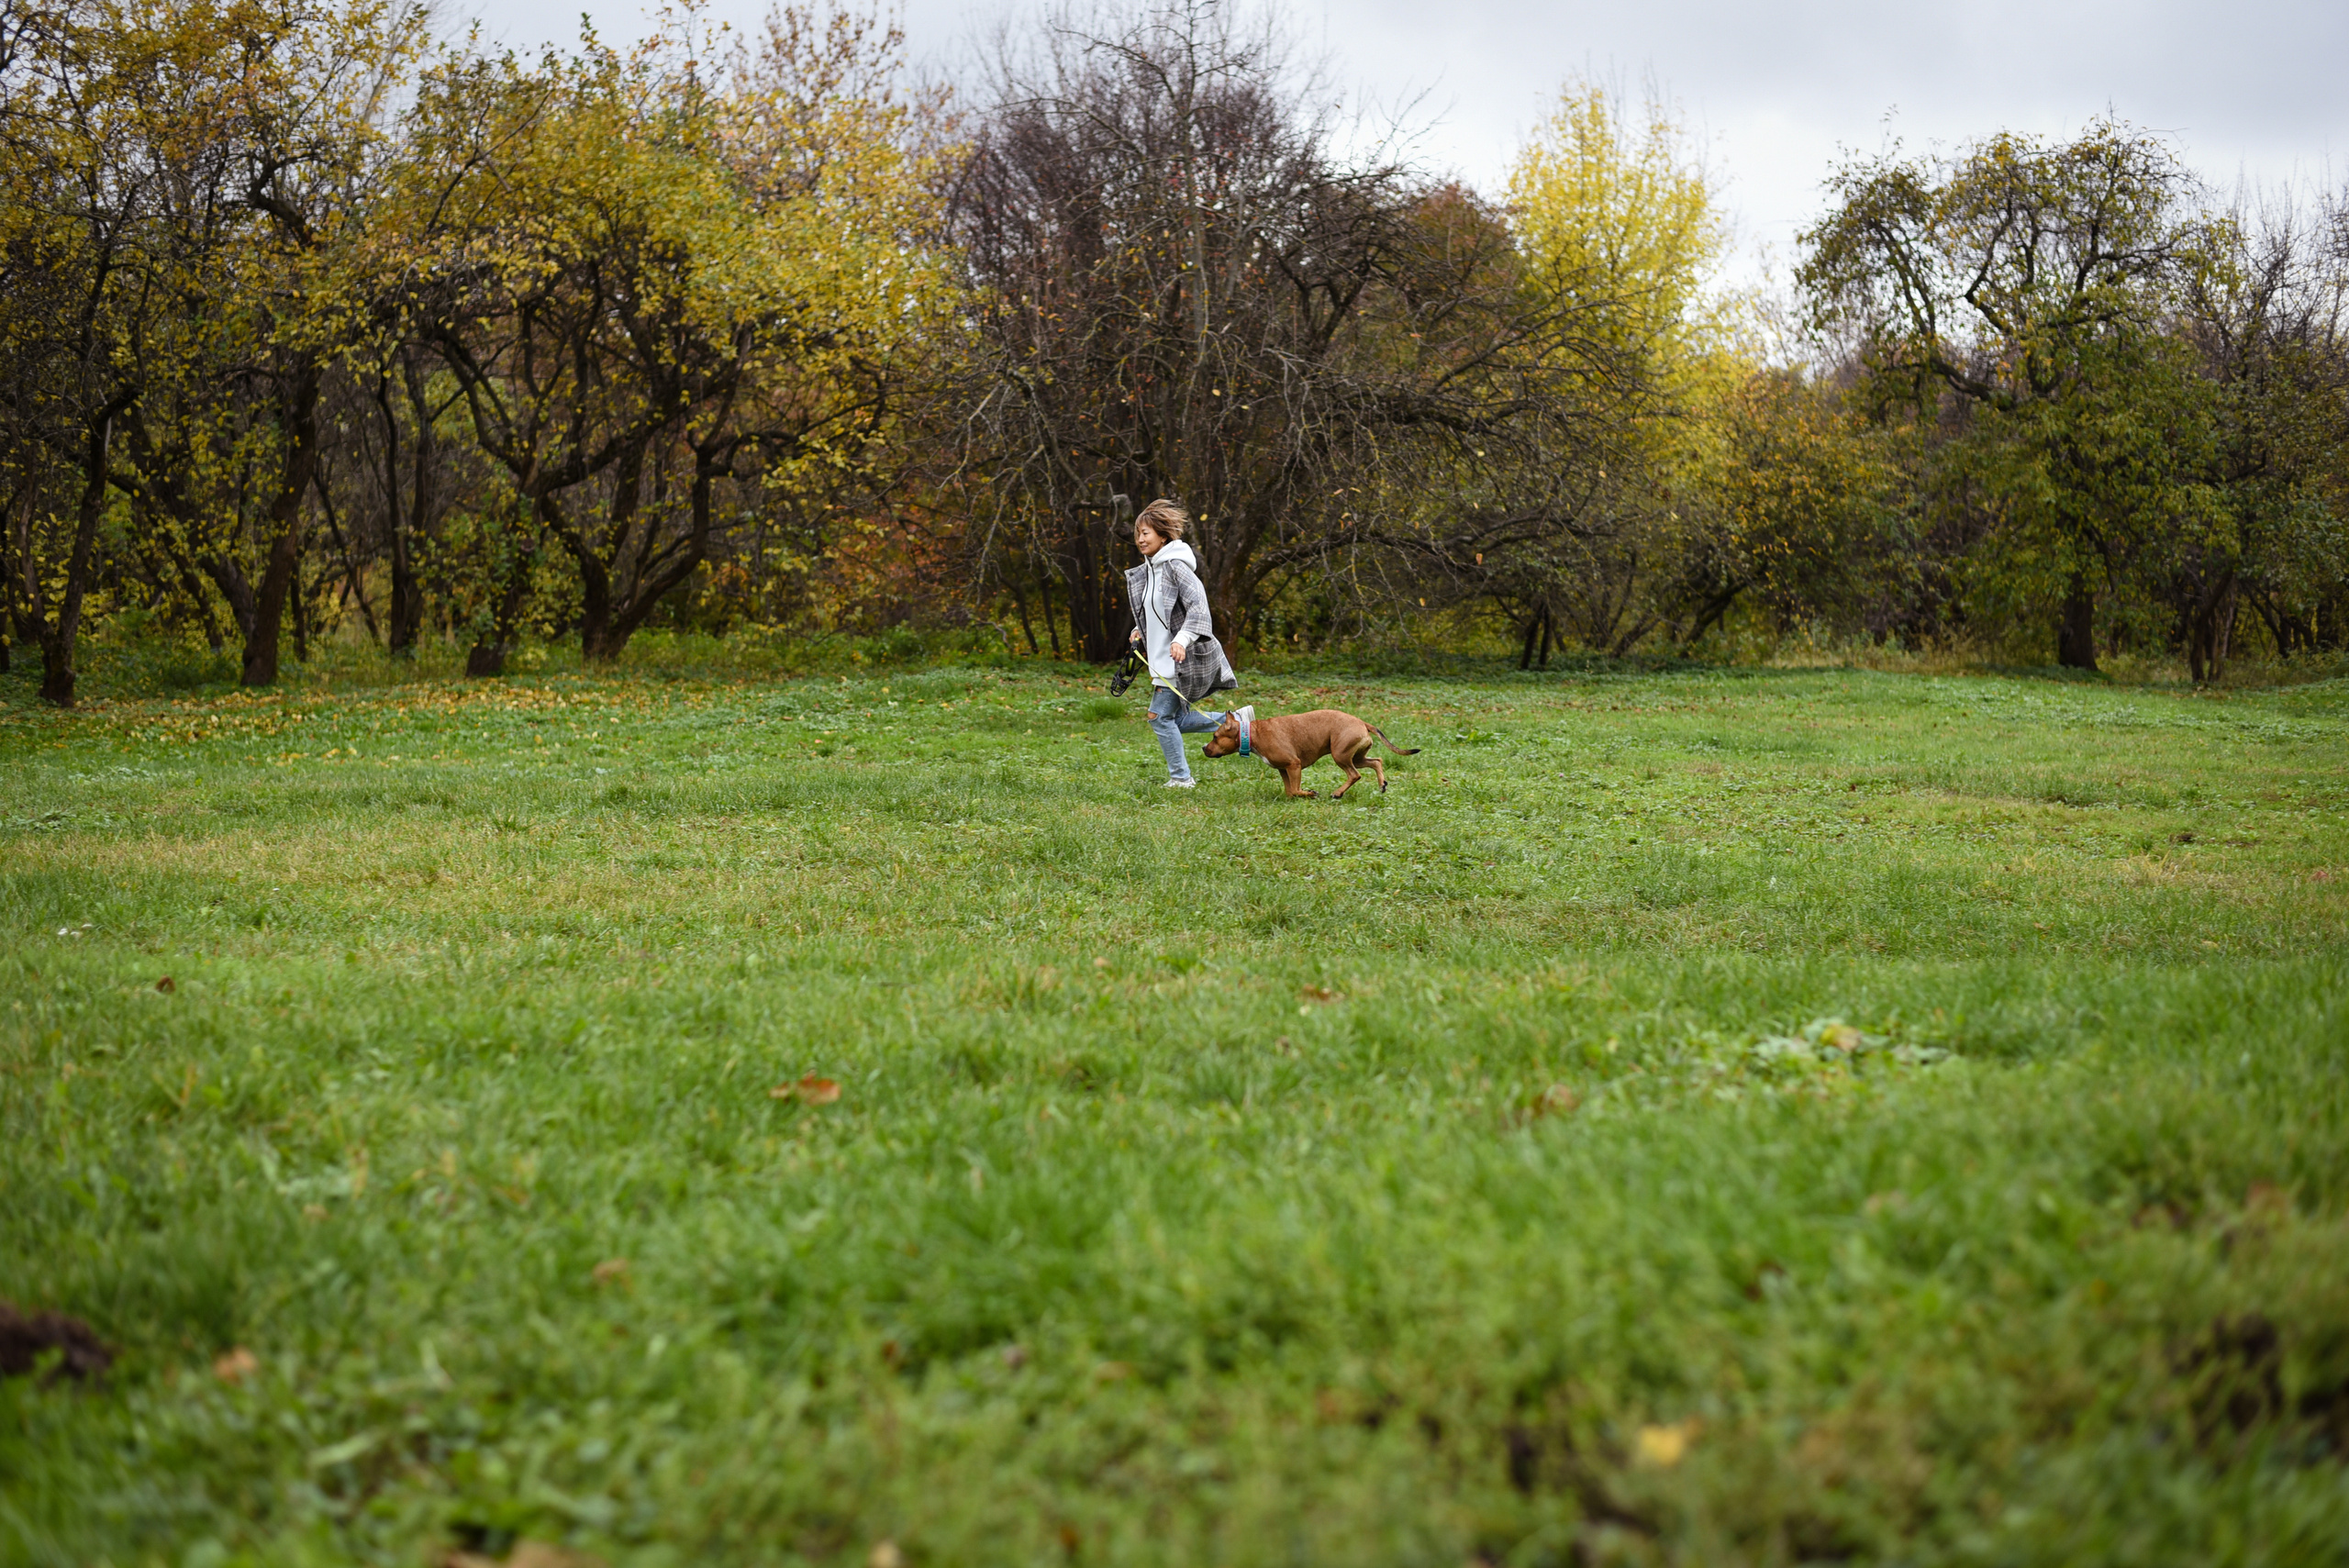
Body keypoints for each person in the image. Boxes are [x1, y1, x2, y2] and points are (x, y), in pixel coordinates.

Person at [1122, 498, 1250, 789]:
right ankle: (1235, 721)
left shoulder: (1176, 567)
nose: (1140, 539)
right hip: (1162, 656)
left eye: (1146, 533)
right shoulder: (1150, 570)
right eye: (1138, 533)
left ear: (1163, 536)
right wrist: (1139, 630)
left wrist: (1182, 639)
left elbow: (1199, 609)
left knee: (1158, 717)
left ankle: (1181, 778)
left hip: (1182, 658)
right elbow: (1160, 612)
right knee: (1173, 720)